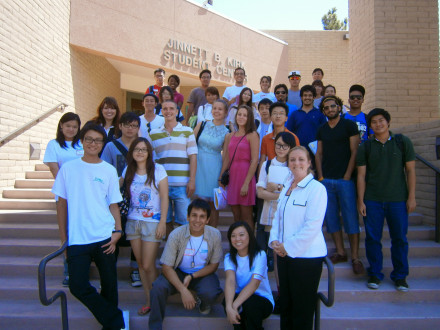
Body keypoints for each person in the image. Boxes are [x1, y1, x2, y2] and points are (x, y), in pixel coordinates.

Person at [52, 122, 125, 330]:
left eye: (98, 140)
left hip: (105, 235)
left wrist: (118, 230)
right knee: (77, 285)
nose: (93, 143)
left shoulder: (109, 170)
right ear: (81, 141)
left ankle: (110, 326)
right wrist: (63, 238)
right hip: (78, 238)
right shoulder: (68, 169)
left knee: (110, 285)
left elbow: (113, 204)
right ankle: (115, 319)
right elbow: (61, 204)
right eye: (89, 139)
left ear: (103, 144)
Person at [357, 108, 416, 292]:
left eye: (381, 120)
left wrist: (411, 197)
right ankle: (375, 274)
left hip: (397, 200)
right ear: (370, 126)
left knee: (399, 238)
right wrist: (361, 200)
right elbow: (361, 175)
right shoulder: (366, 146)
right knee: (373, 238)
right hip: (372, 199)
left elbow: (410, 171)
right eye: (373, 122)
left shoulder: (402, 142)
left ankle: (400, 276)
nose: (378, 124)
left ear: (388, 122)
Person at [269, 146, 327, 330]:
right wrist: (275, 241)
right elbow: (278, 216)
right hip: (285, 256)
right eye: (292, 160)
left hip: (306, 259)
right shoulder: (287, 187)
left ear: (309, 163)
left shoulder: (317, 189)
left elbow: (312, 226)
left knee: (302, 312)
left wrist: (288, 246)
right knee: (286, 306)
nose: (296, 163)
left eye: (301, 159)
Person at [149, 199, 223, 330]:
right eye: (194, 215)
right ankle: (155, 326)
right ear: (188, 217)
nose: (197, 220)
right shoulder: (176, 234)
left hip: (202, 273)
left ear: (207, 220)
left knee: (211, 292)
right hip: (179, 271)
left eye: (202, 216)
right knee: (157, 288)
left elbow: (214, 265)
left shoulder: (215, 234)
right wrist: (183, 290)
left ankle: (203, 302)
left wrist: (192, 276)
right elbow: (166, 267)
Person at [315, 96, 364, 275]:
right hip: (326, 180)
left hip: (345, 181)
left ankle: (355, 257)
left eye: (333, 106)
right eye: (326, 108)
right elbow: (318, 154)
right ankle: (341, 252)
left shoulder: (349, 126)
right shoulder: (322, 129)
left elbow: (355, 151)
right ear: (323, 111)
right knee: (331, 218)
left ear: (339, 107)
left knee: (351, 218)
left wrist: (347, 175)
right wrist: (320, 176)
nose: (330, 109)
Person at [121, 137, 168, 315]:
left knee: (148, 264)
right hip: (133, 222)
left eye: (144, 149)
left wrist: (162, 222)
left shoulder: (158, 170)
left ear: (149, 153)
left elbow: (164, 197)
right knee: (140, 264)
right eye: (136, 149)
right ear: (132, 152)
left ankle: (157, 299)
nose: (140, 152)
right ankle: (149, 301)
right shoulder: (128, 170)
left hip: (152, 222)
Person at [101, 112, 143, 287]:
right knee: (115, 230)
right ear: (120, 126)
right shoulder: (111, 146)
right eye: (127, 125)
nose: (130, 128)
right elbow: (103, 169)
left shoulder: (141, 146)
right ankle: (110, 270)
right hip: (116, 196)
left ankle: (135, 270)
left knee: (136, 231)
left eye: (134, 125)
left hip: (138, 196)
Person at [43, 112, 83, 286]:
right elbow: (54, 169)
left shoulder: (82, 143)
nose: (71, 129)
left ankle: (82, 265)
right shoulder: (54, 145)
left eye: (75, 126)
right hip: (64, 194)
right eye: (68, 126)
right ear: (61, 126)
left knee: (80, 229)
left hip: (82, 194)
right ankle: (68, 269)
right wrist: (67, 189)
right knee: (65, 231)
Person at [148, 100, 197, 236]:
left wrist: (192, 181)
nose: (168, 111)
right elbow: (150, 159)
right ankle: (171, 249)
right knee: (166, 220)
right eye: (165, 109)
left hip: (182, 185)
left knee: (185, 221)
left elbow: (193, 157)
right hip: (162, 185)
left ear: (177, 112)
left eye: (171, 109)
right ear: (161, 112)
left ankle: (183, 251)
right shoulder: (153, 133)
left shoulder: (187, 132)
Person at [224, 221, 274, 329]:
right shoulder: (229, 257)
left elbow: (254, 284)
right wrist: (229, 306)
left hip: (262, 299)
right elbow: (230, 281)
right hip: (242, 298)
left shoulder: (260, 255)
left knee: (250, 303)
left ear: (249, 236)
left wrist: (235, 305)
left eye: (241, 235)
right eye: (233, 236)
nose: (237, 239)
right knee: (227, 300)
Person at [220, 105, 259, 230]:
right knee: (236, 216)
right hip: (233, 177)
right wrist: (221, 179)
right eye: (239, 114)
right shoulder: (230, 136)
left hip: (245, 176)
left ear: (249, 118)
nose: (241, 117)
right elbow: (226, 158)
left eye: (245, 115)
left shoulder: (252, 135)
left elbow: (254, 160)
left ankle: (250, 247)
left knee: (247, 216)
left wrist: (246, 183)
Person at [193, 99, 229, 228]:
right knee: (198, 205)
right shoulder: (202, 124)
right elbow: (191, 145)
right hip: (198, 167)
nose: (216, 111)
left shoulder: (227, 132)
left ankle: (212, 236)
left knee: (213, 205)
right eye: (214, 108)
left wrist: (221, 176)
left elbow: (226, 156)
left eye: (220, 109)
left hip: (214, 168)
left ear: (225, 113)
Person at [286, 85, 326, 162]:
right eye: (305, 95)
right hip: (298, 152)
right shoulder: (295, 114)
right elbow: (289, 134)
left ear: (314, 97)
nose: (307, 97)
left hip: (315, 153)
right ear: (301, 97)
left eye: (310, 95)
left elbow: (324, 134)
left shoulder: (320, 114)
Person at [259, 102, 300, 172]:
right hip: (270, 174)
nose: (278, 116)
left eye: (281, 113)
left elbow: (297, 159)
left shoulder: (293, 137)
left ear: (286, 118)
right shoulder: (266, 139)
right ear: (271, 117)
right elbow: (262, 160)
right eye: (275, 113)